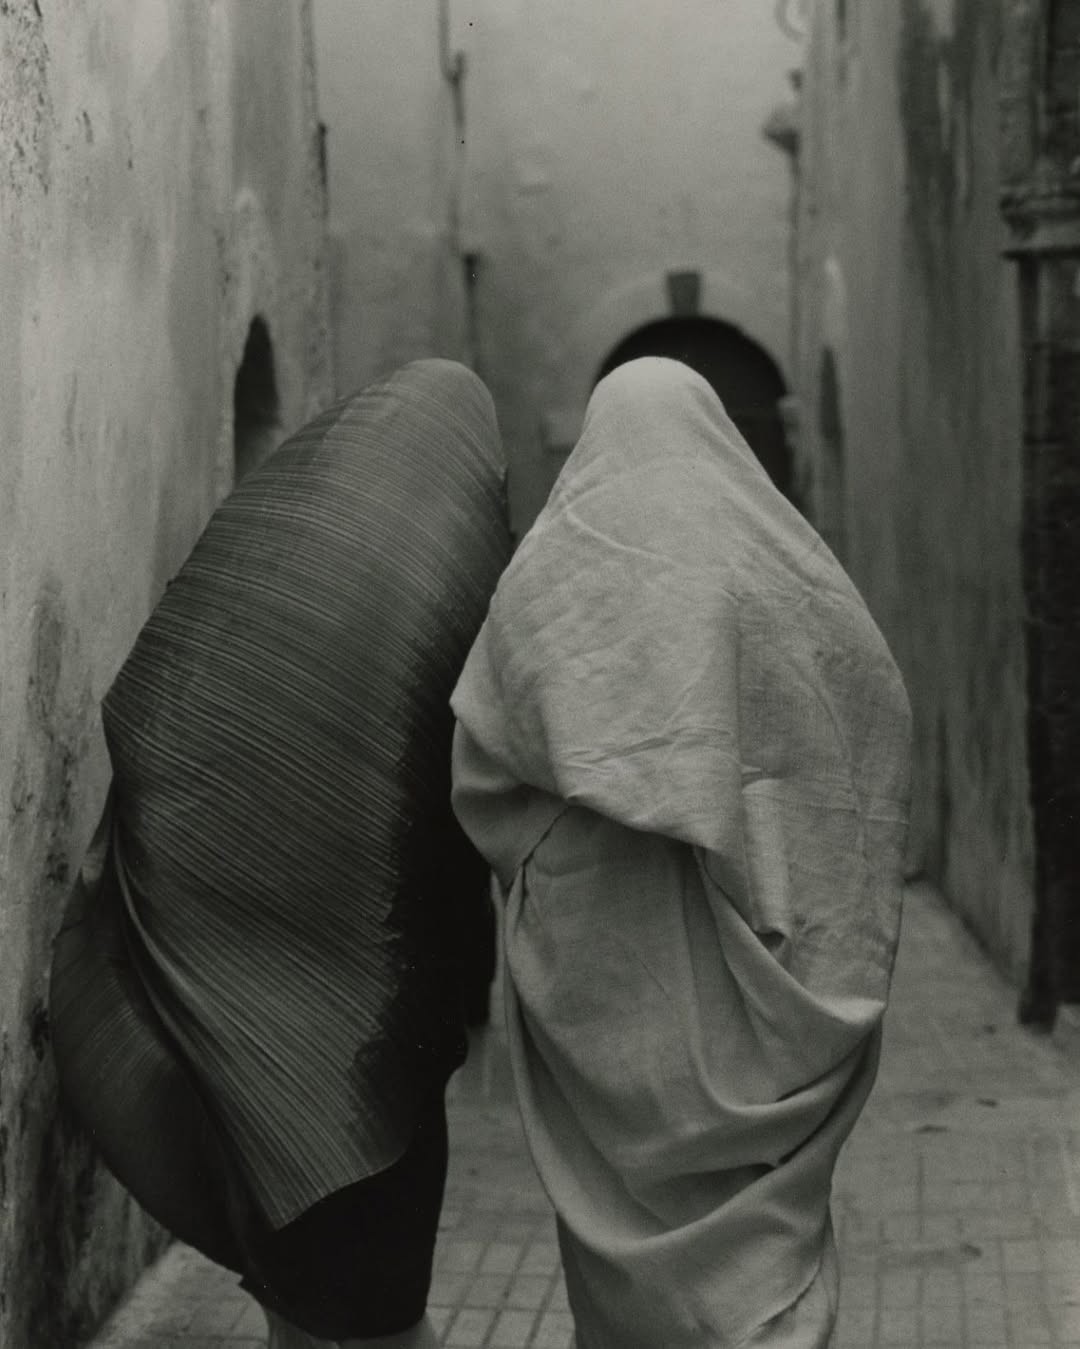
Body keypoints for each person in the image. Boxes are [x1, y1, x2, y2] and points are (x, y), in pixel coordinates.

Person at [450, 357, 912, 1347]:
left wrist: (559, 842)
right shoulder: (786, 575)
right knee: (764, 1254)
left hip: (606, 986)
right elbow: (868, 715)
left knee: (624, 1254)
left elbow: (481, 768)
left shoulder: (549, 574)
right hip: (763, 981)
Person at [49, 360, 512, 1349]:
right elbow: (463, 769)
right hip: (366, 984)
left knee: (281, 1176)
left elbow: (159, 696)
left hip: (237, 944)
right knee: (359, 1202)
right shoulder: (454, 559)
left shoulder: (275, 538)